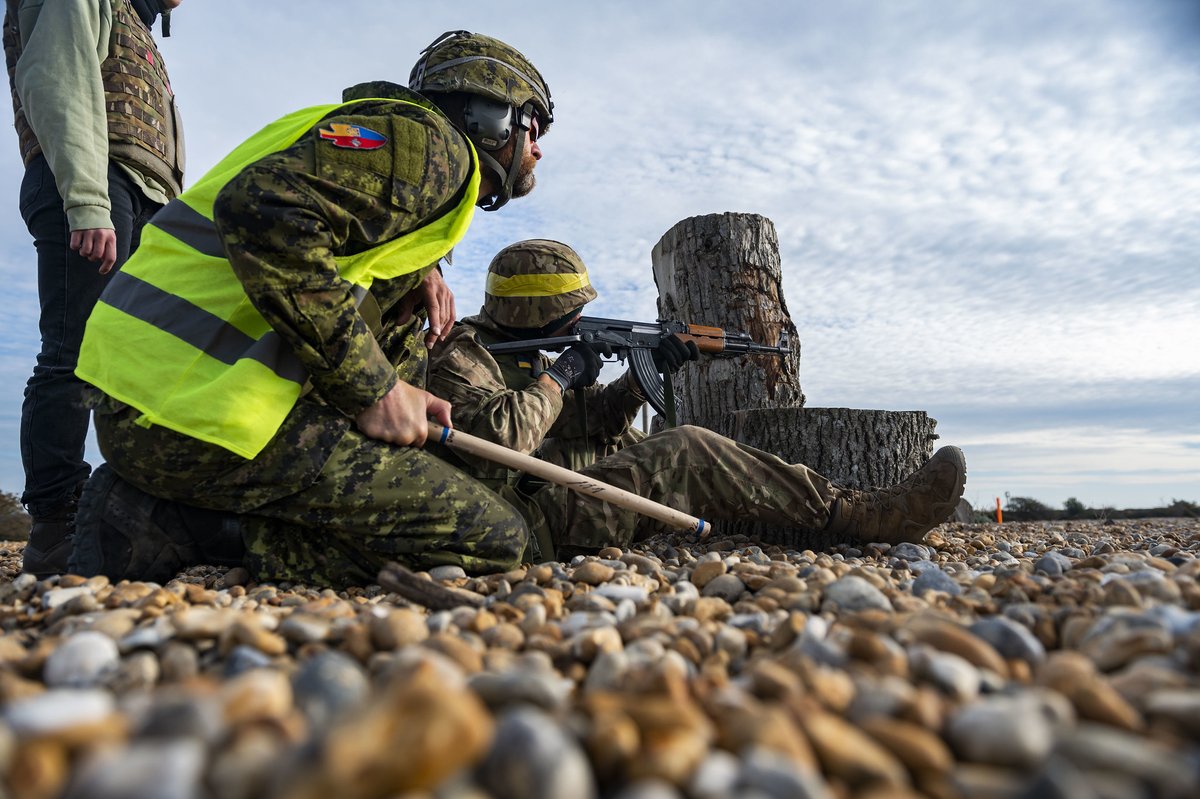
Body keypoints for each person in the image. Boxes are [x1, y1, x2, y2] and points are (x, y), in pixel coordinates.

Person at [66, 30, 554, 587]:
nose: (537, 148)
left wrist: (422, 276)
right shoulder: (433, 149)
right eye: (532, 125)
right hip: (193, 419)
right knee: (495, 538)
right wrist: (374, 389)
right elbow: (265, 209)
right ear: (487, 116)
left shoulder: (377, 135)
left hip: (155, 396)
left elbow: (307, 229)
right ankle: (172, 524)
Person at [426, 239, 969, 560]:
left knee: (648, 439)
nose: (574, 324)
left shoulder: (526, 357)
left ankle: (781, 513)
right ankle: (860, 515)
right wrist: (563, 375)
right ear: (532, 315)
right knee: (685, 447)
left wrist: (647, 373)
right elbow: (494, 441)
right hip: (520, 521)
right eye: (567, 315)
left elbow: (583, 424)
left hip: (545, 501)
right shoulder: (461, 353)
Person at [5, 0, 185, 577]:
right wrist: (87, 202)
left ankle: (123, 521)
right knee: (74, 355)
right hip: (94, 187)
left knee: (133, 368)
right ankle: (56, 526)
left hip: (137, 195)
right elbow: (56, 77)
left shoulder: (137, 22)